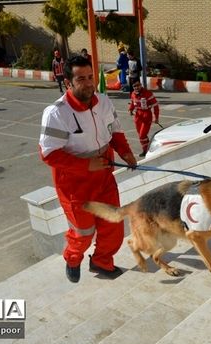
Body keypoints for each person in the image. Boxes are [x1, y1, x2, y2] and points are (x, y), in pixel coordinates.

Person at [39, 55, 137, 283]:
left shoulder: (103, 102)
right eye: (81, 79)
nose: (89, 83)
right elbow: (48, 153)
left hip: (104, 177)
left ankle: (102, 261)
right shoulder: (56, 113)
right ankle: (72, 259)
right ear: (68, 83)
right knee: (83, 233)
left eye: (91, 77)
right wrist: (86, 165)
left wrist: (126, 152)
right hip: (75, 186)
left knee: (113, 226)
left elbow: (115, 131)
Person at [128, 80, 159, 157]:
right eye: (134, 86)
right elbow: (132, 102)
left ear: (141, 85)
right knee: (142, 136)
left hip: (146, 116)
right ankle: (147, 149)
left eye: (138, 85)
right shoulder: (133, 94)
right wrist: (131, 109)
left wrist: (156, 118)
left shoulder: (148, 93)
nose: (136, 87)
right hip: (138, 116)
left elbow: (156, 106)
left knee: (142, 135)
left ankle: (145, 151)